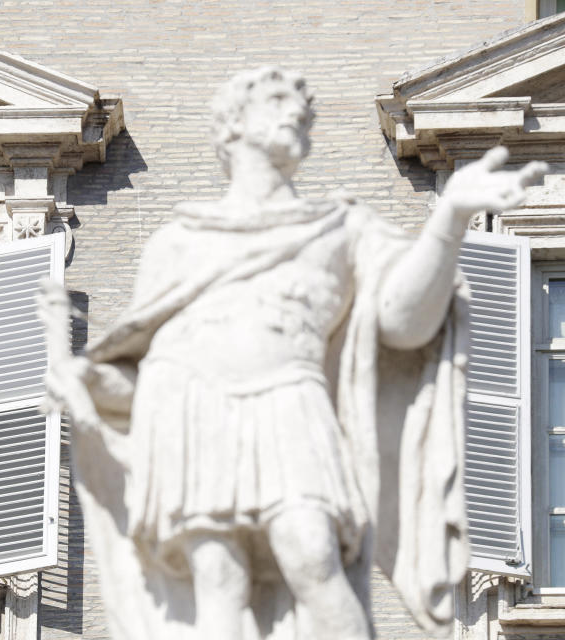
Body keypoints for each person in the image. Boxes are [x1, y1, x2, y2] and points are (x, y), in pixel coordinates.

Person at [38, 67, 547, 640]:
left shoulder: (341, 227)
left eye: (303, 109)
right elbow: (144, 379)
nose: (296, 113)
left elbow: (405, 325)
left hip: (292, 403)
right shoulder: (176, 241)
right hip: (192, 413)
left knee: (312, 556)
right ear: (231, 123)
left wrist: (450, 221)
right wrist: (87, 380)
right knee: (217, 580)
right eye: (277, 100)